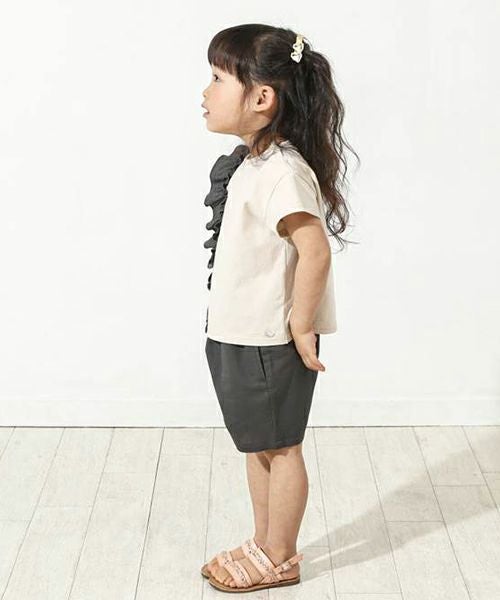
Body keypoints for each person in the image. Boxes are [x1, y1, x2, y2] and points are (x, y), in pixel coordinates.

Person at [200, 24, 359, 593]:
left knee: (281, 446)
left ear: (262, 98)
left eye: (218, 79)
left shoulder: (284, 172)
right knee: (258, 444)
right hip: (240, 330)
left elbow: (315, 250)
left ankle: (280, 555)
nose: (205, 92)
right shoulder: (254, 163)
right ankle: (265, 541)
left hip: (270, 337)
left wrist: (301, 324)